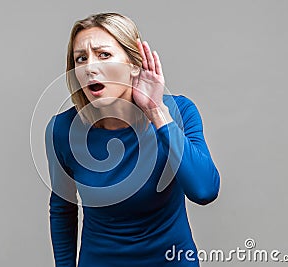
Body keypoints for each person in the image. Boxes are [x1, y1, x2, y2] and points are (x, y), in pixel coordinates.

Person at [45, 12, 220, 267]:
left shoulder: (179, 112)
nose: (90, 67)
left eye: (104, 55)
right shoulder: (62, 129)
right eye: (81, 59)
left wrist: (157, 113)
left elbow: (205, 190)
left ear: (133, 64)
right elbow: (63, 210)